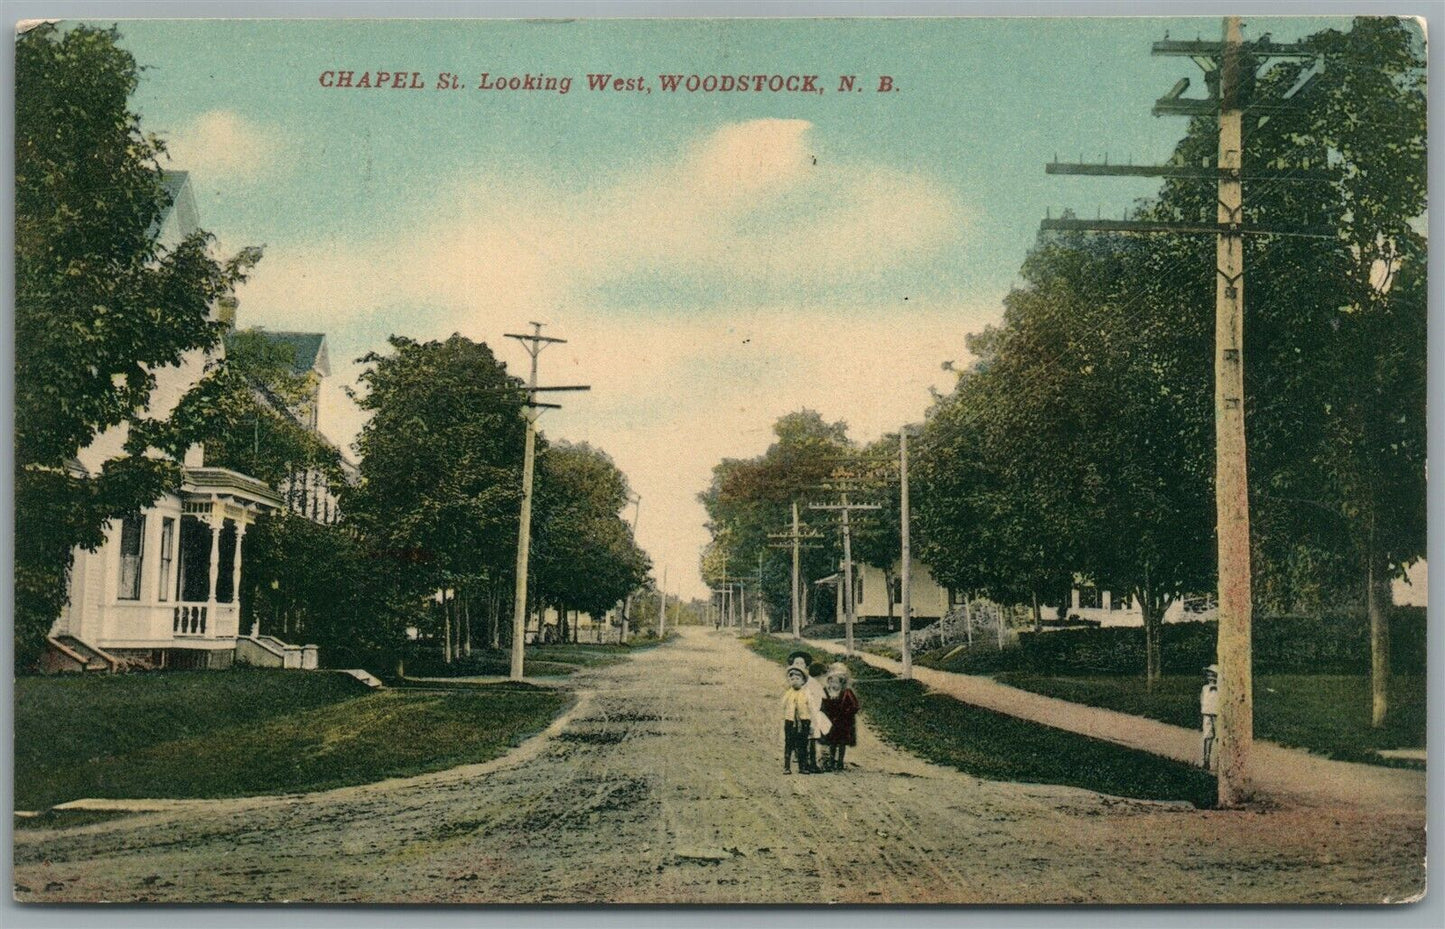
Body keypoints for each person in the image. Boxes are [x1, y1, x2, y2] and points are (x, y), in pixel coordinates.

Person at [820, 662, 860, 771]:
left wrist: (846, 713)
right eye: (831, 681)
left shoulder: (847, 693)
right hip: (832, 721)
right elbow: (823, 705)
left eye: (836, 682)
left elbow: (855, 706)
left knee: (842, 742)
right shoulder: (827, 692)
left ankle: (840, 762)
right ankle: (832, 760)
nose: (833, 684)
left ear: (841, 683)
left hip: (843, 722)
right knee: (832, 741)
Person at [781, 664, 812, 774]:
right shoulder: (789, 693)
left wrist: (811, 721)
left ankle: (802, 766)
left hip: (804, 720)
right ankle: (786, 766)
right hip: (790, 721)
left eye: (797, 678)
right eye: (792, 678)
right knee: (789, 743)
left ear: (803, 681)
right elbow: (783, 704)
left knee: (802, 743)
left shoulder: (806, 693)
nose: (794, 681)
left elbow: (812, 707)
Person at [1200, 664, 1220, 770]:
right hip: (1207, 714)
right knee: (1207, 736)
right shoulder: (1205, 688)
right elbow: (1202, 700)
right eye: (1208, 674)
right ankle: (1206, 760)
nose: (1210, 677)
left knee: (1219, 737)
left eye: (1213, 674)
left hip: (1217, 715)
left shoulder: (1221, 689)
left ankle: (1219, 761)